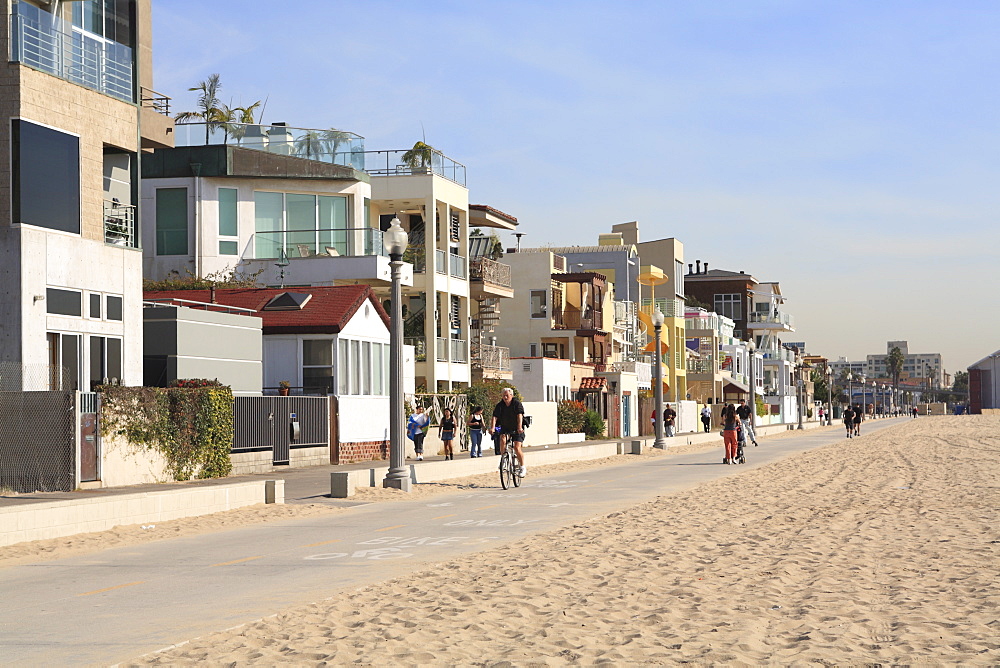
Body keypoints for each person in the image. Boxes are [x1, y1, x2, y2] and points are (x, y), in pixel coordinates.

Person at [491, 388, 526, 477]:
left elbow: (519, 415)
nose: (505, 397)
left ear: (511, 395)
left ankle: (522, 467)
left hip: (517, 428)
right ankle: (504, 459)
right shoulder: (500, 405)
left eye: (507, 395)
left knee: (517, 447)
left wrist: (519, 427)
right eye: (503, 395)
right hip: (506, 428)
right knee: (502, 439)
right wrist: (492, 428)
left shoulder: (516, 404)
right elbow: (495, 417)